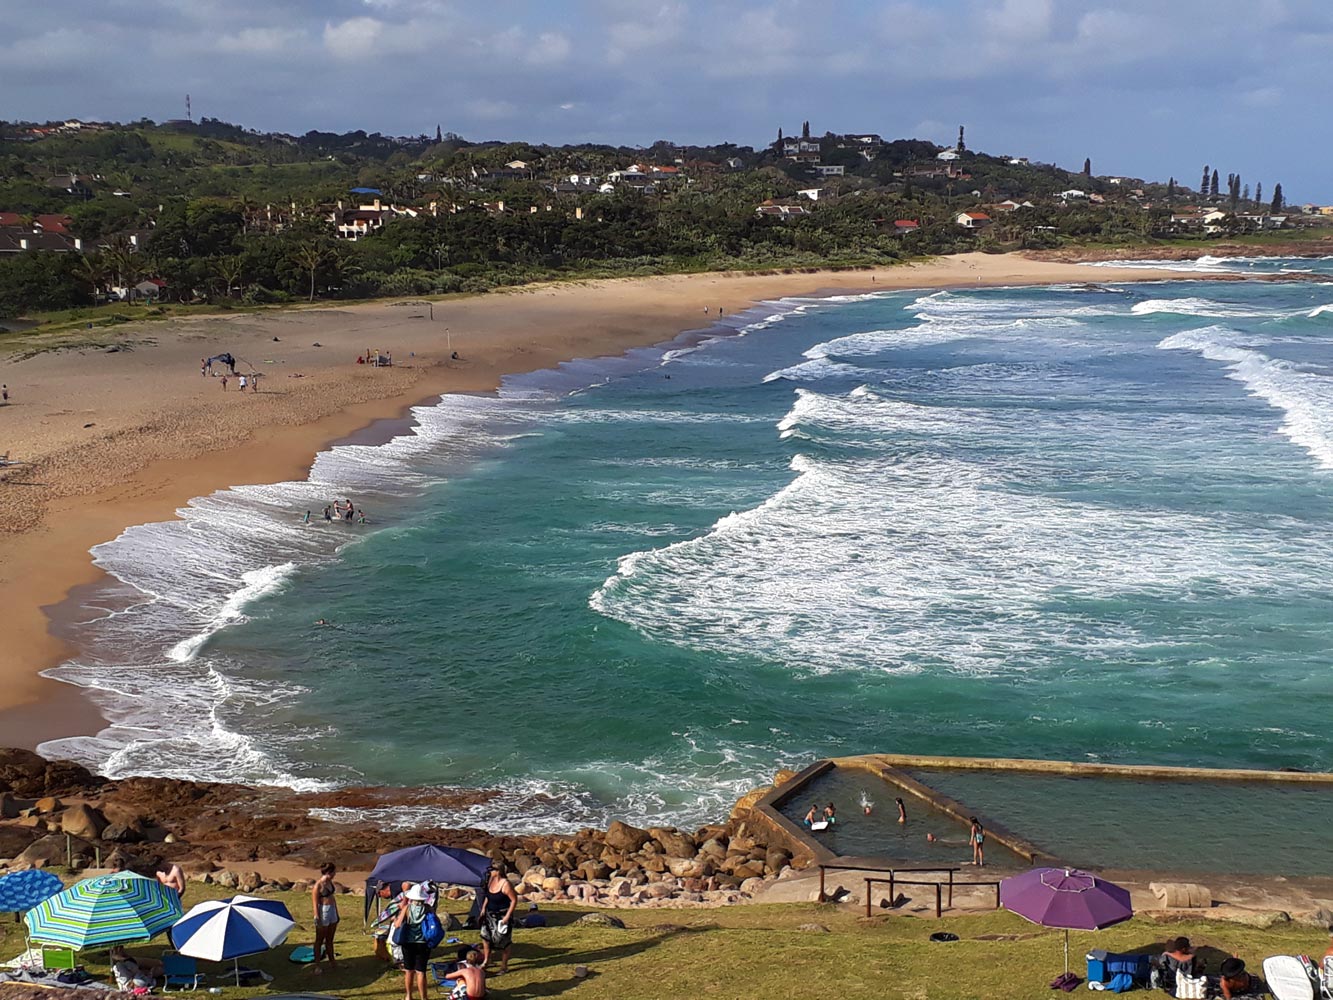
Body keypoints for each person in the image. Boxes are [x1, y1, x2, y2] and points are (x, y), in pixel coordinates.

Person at [394, 882, 434, 1000]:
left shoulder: (407, 908)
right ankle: (424, 997)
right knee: (421, 972)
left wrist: (395, 919)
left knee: (409, 971)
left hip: (408, 943)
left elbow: (397, 925)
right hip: (423, 943)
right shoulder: (428, 908)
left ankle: (409, 995)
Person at [478, 863, 517, 974]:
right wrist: (483, 908)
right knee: (485, 937)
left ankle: (504, 966)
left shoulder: (506, 884)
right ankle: (486, 960)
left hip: (502, 915)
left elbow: (514, 900)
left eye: (492, 870)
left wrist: (507, 916)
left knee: (503, 941)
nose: (490, 872)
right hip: (490, 915)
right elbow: (488, 896)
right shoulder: (490, 881)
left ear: (498, 871)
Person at [311, 863, 339, 974]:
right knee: (319, 939)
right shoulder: (318, 885)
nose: (335, 874)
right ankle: (317, 965)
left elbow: (332, 897)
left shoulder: (329, 883)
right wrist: (317, 916)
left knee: (330, 939)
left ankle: (332, 962)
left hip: (332, 909)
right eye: (334, 872)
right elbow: (315, 902)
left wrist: (336, 911)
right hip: (323, 911)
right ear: (329, 872)